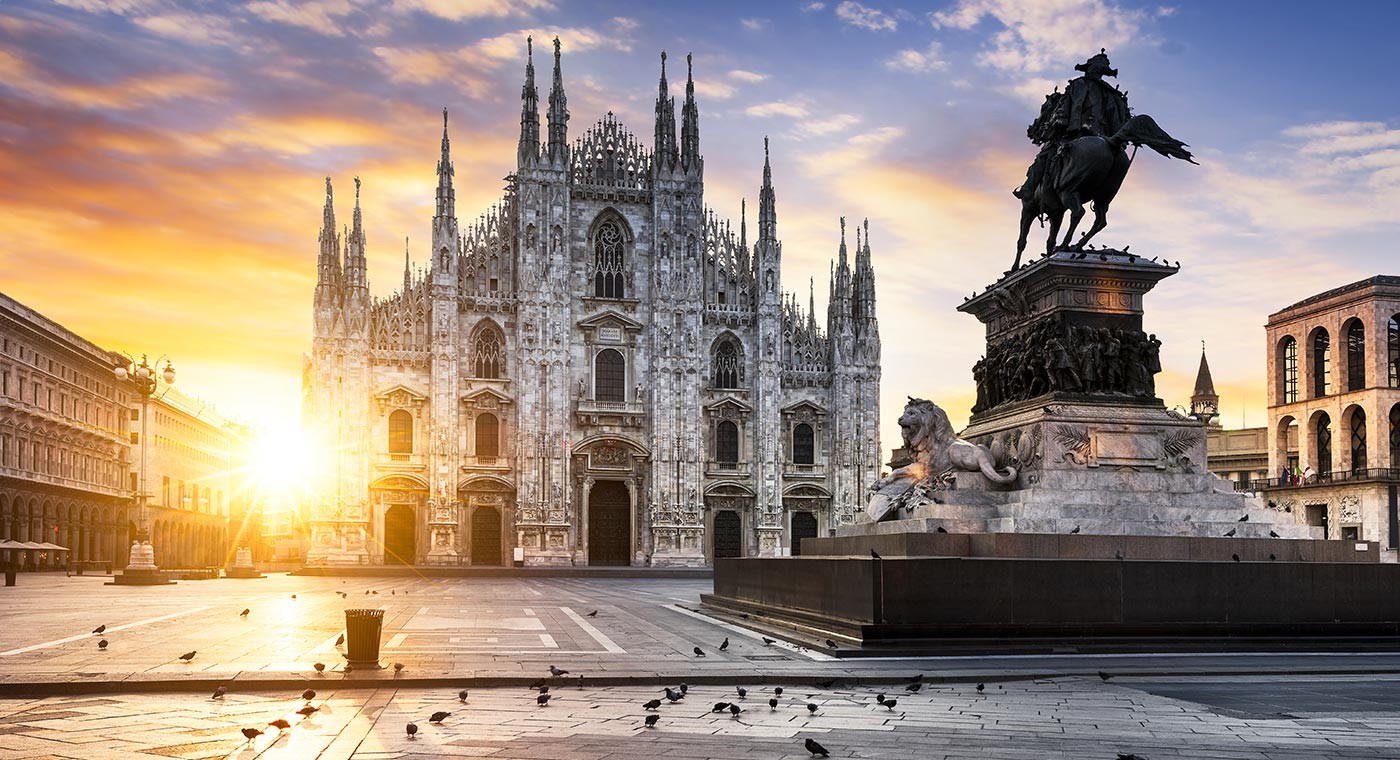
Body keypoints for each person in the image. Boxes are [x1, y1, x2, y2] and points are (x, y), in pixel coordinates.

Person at [1014, 49, 1132, 201]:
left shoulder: (1079, 84)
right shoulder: (1112, 94)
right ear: (1103, 72)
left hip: (1078, 130)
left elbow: (1076, 105)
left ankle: (1028, 190)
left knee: (1044, 156)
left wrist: (1070, 127)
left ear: (1089, 69)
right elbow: (1116, 117)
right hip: (1104, 136)